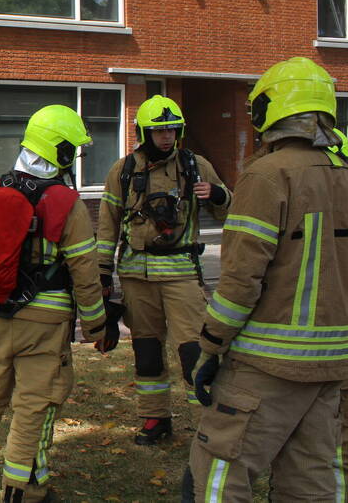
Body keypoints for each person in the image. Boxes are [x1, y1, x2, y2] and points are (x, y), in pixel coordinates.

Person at [185, 57, 348, 502]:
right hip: (334, 364)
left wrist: (211, 346)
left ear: (267, 112)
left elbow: (240, 281)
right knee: (313, 479)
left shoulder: (266, 176)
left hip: (267, 364)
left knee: (220, 472)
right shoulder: (344, 173)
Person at [0, 105, 108, 502]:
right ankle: (24, 489)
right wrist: (96, 327)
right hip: (46, 322)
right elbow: (86, 276)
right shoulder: (68, 205)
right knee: (34, 405)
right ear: (61, 152)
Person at [96, 95, 231, 445]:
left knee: (194, 351)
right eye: (159, 131)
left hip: (181, 275)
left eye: (172, 129)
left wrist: (217, 195)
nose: (167, 137)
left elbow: (230, 213)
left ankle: (208, 425)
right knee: (147, 352)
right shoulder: (123, 170)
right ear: (144, 132)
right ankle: (154, 419)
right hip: (135, 278)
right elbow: (108, 226)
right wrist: (102, 274)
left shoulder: (195, 165)